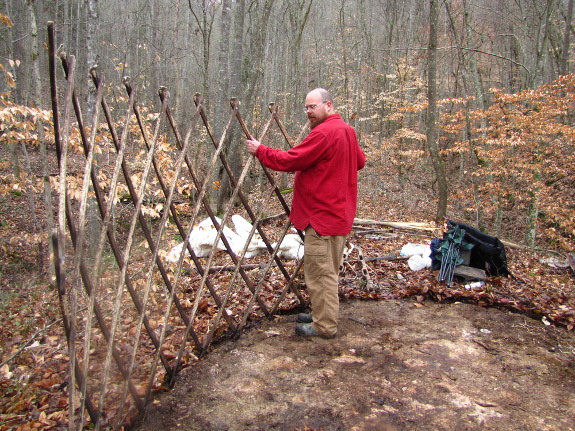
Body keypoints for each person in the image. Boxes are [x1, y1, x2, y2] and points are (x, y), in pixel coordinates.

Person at [245, 88, 366, 338]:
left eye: (313, 106)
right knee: (324, 270)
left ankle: (324, 326)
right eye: (306, 107)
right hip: (338, 215)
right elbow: (360, 161)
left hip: (322, 217)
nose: (308, 111)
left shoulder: (324, 133)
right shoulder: (347, 131)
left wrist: (261, 150)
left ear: (328, 105)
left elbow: (291, 160)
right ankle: (323, 314)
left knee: (321, 275)